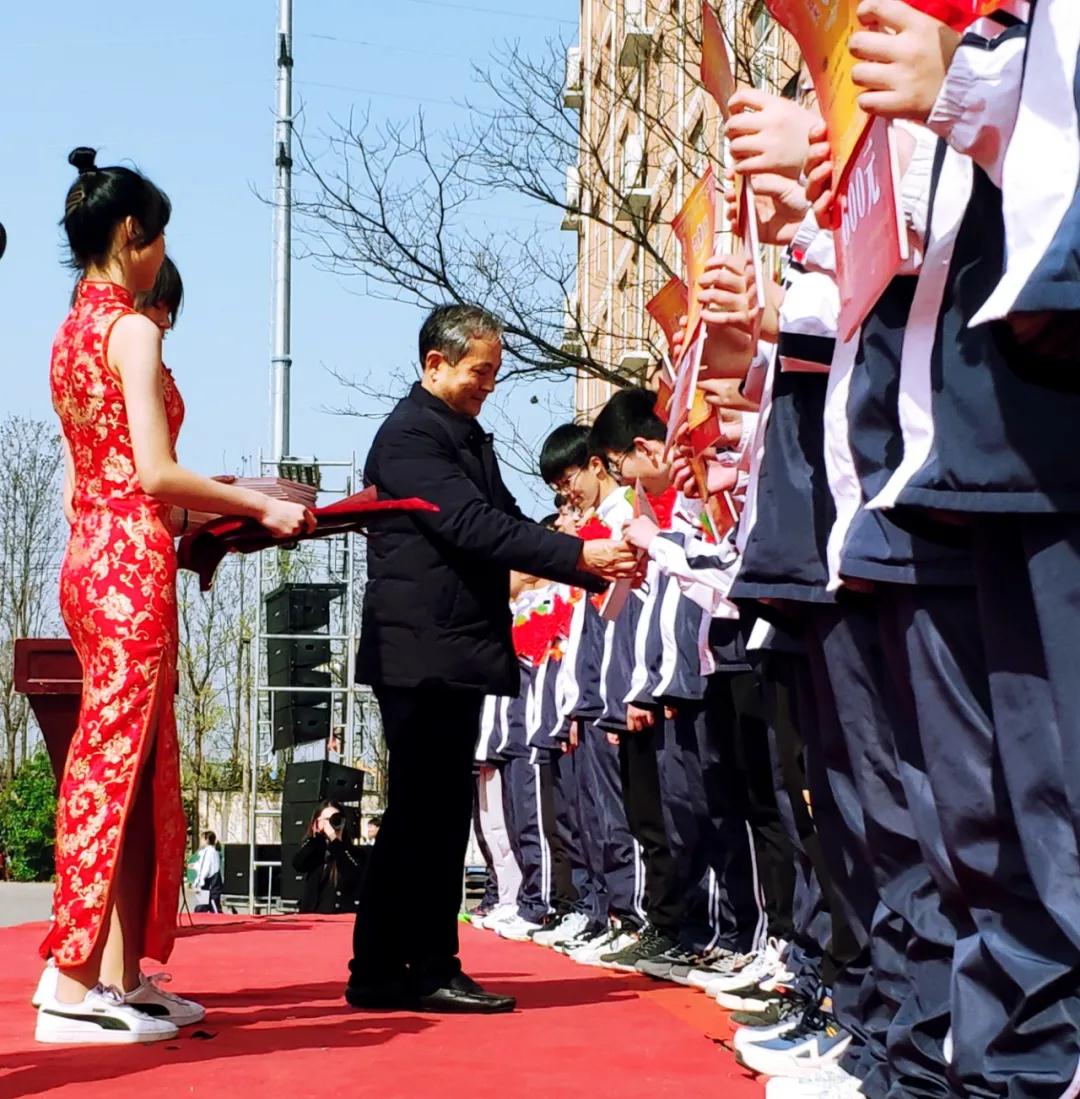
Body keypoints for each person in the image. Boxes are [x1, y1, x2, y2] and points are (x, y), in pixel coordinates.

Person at [37, 146, 314, 1046]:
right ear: (132, 233)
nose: (164, 261)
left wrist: (214, 515)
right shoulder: (134, 330)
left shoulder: (72, 330)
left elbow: (121, 473)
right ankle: (70, 979)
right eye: (160, 242)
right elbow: (154, 471)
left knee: (131, 768)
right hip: (129, 566)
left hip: (94, 553)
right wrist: (259, 501)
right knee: (114, 769)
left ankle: (116, 976)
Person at [346, 302, 637, 1015]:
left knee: (434, 810)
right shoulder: (410, 437)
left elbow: (503, 519)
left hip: (455, 646)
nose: (489, 385)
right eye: (481, 372)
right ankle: (403, 963)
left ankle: (403, 964)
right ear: (435, 363)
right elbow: (472, 526)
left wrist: (576, 556)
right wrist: (578, 554)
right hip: (421, 647)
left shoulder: (465, 433)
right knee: (423, 809)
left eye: (496, 374)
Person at [292, 803, 364, 914]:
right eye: (327, 819)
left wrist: (335, 840)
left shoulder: (354, 852)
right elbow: (298, 864)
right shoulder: (315, 849)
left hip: (338, 917)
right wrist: (316, 838)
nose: (332, 822)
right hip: (311, 916)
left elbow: (352, 874)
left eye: (336, 818)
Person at [193, 831, 223, 914]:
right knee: (206, 907)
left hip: (208, 886)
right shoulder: (215, 852)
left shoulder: (207, 852)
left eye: (202, 839)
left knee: (206, 907)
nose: (200, 841)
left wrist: (197, 883)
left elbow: (204, 869)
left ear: (206, 840)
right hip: (214, 884)